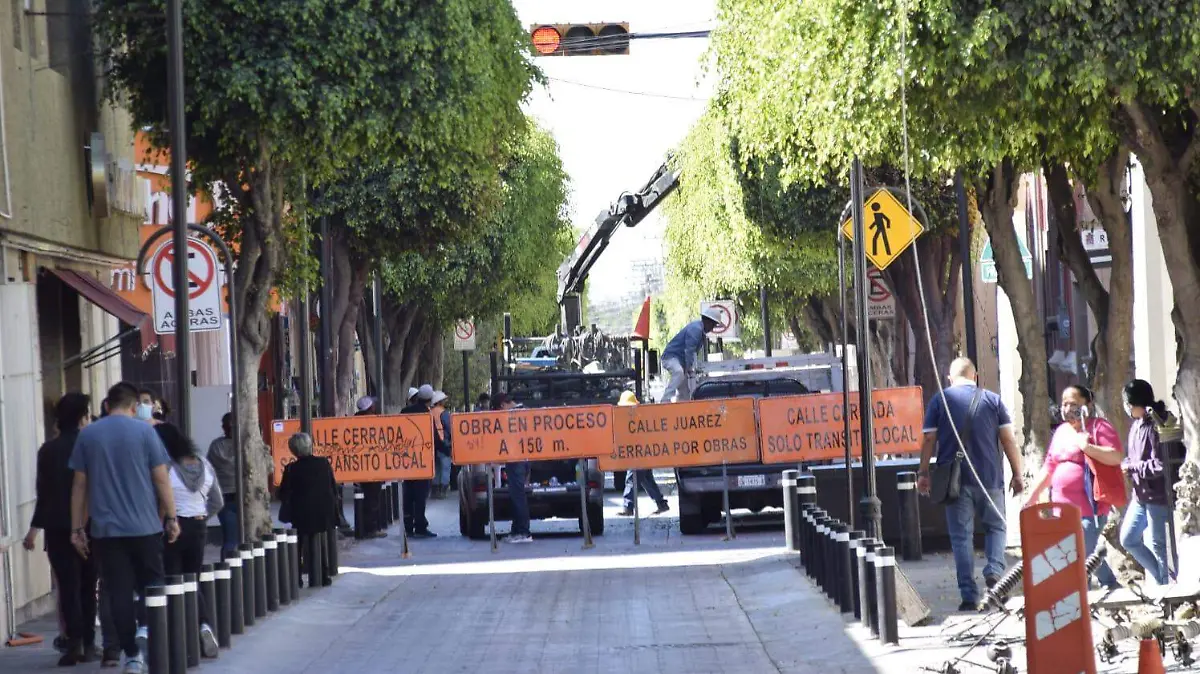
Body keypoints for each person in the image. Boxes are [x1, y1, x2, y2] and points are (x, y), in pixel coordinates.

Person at [69, 382, 179, 674]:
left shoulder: (88, 435)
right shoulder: (146, 432)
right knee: (152, 585)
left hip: (106, 531)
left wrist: (76, 528)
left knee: (117, 592)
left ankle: (130, 654)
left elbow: (79, 486)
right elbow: (161, 479)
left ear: (107, 406)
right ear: (134, 407)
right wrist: (171, 517)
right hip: (145, 527)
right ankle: (151, 639)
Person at [917, 358, 1023, 611]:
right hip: (989, 478)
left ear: (949, 378)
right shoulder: (992, 400)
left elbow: (929, 438)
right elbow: (1008, 440)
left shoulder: (939, 400)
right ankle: (995, 572)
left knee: (961, 538)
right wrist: (1017, 473)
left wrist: (923, 472)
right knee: (996, 527)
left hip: (954, 481)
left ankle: (968, 596)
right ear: (975, 377)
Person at [1025, 384, 1124, 589]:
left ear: (1087, 405)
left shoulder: (1099, 427)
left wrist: (1087, 447)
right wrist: (1032, 496)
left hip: (1089, 508)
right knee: (1080, 553)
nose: (1068, 408)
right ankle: (1110, 586)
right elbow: (1049, 467)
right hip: (1062, 510)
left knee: (1079, 554)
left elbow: (1115, 456)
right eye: (1064, 404)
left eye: (1074, 403)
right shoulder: (1061, 431)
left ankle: (1082, 599)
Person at [24, 393, 98, 665]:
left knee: (67, 586)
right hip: (90, 526)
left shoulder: (48, 450)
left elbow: (43, 493)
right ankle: (90, 642)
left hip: (57, 527)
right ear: (82, 418)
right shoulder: (91, 445)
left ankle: (74, 641)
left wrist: (34, 528)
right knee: (89, 585)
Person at [155, 422, 221, 659]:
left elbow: (162, 502)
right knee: (192, 579)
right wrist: (201, 518)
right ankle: (203, 626)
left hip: (173, 525)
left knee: (173, 580)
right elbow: (218, 501)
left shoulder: (166, 468)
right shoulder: (205, 464)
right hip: (199, 525)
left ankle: (179, 636)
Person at [1119, 379, 1176, 586]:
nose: (1126, 407)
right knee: (1128, 539)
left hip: (1157, 496)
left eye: (1127, 402)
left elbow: (1160, 465)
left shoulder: (1155, 425)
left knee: (1158, 545)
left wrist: (1133, 468)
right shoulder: (1136, 426)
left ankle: (1167, 589)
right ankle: (1162, 580)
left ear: (1135, 403)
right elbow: (1133, 457)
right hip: (1140, 496)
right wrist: (1128, 464)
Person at [277, 432, 338, 587]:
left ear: (294, 450)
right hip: (322, 512)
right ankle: (322, 575)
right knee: (319, 542)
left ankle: (296, 578)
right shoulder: (323, 463)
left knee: (297, 545)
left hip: (300, 514)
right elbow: (332, 486)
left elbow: (283, 493)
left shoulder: (292, 469)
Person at [614, 391, 669, 517]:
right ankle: (661, 503)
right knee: (646, 480)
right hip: (641, 454)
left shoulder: (637, 419)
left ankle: (628, 507)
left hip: (639, 455)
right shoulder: (633, 418)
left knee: (631, 479)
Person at [658, 307, 723, 403]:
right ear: (708, 322)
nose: (713, 328)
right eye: (713, 325)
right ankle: (665, 400)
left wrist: (688, 368)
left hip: (679, 361)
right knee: (679, 372)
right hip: (670, 358)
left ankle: (683, 409)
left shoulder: (700, 331)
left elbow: (693, 353)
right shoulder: (696, 329)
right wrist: (689, 368)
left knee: (684, 391)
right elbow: (689, 351)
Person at [494, 393, 531, 543]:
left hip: (517, 459)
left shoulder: (515, 414)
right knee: (516, 496)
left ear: (502, 405)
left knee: (518, 496)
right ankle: (517, 530)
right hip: (518, 458)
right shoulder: (523, 411)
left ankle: (523, 532)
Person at [400, 386, 435, 538]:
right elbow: (432, 437)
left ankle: (407, 526)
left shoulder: (404, 412)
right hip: (422, 461)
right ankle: (420, 525)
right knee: (420, 496)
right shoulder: (426, 414)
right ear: (429, 399)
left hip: (407, 461)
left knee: (408, 495)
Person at [206, 413, 239, 558]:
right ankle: (229, 570)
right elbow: (227, 466)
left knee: (236, 539)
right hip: (226, 496)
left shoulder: (247, 442)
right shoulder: (217, 446)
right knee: (231, 539)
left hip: (245, 496)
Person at [354, 396, 387, 538]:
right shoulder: (374, 421)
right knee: (372, 499)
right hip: (373, 466)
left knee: (368, 498)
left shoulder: (353, 421)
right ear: (370, 408)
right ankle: (371, 528)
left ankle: (368, 527)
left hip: (360, 466)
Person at [431, 392, 452, 499]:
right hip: (443, 443)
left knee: (437, 468)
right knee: (445, 467)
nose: (445, 401)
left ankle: (435, 490)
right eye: (443, 400)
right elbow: (449, 427)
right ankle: (443, 491)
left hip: (432, 444)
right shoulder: (444, 413)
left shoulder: (429, 412)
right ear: (439, 402)